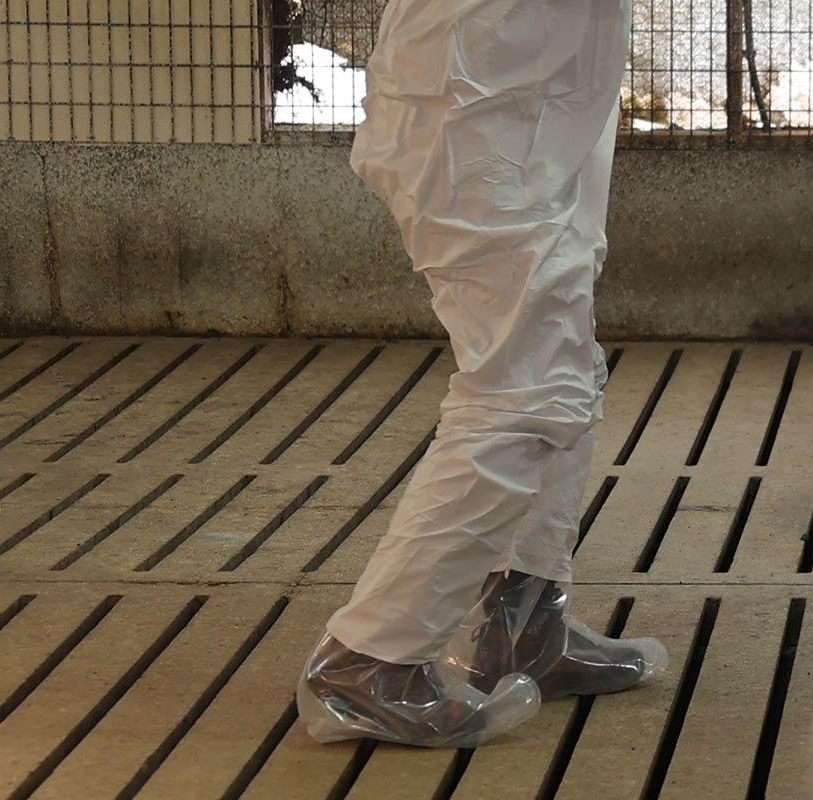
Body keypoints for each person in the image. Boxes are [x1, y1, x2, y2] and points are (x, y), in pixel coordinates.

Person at [294, 0, 665, 748]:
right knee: (523, 390)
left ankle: (523, 624)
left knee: (563, 364)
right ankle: (368, 662)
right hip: (481, 113)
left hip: (534, 105)